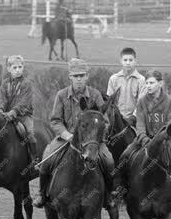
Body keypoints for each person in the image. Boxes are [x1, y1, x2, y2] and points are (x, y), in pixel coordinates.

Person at [33, 58, 114, 208]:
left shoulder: (96, 95)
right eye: (75, 76)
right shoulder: (61, 95)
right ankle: (42, 194)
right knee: (46, 158)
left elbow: (106, 122)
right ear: (70, 77)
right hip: (66, 139)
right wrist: (67, 135)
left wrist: (95, 138)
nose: (79, 79)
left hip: (92, 142)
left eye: (82, 75)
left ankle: (108, 196)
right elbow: (55, 120)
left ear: (87, 76)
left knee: (109, 160)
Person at [117, 70, 171, 202]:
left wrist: (161, 139)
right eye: (147, 83)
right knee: (125, 154)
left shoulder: (170, 101)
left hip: (166, 139)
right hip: (145, 139)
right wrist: (145, 139)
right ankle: (122, 188)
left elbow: (170, 124)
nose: (148, 85)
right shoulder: (142, 101)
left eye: (152, 83)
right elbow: (140, 124)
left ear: (160, 83)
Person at [106, 47, 145, 126]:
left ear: (135, 61)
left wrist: (132, 118)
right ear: (121, 61)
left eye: (131, 60)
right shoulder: (114, 79)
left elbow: (141, 103)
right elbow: (109, 101)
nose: (128, 63)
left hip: (134, 121)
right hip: (115, 121)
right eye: (125, 60)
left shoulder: (141, 80)